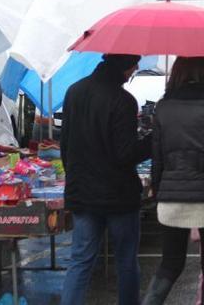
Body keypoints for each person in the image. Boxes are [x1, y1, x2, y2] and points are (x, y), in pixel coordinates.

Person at [143, 57, 204, 305]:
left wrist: (159, 192)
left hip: (171, 197)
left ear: (176, 74)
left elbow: (157, 159)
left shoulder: (163, 107)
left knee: (169, 265)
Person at [60, 54, 150, 305]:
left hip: (82, 192)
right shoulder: (123, 101)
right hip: (118, 196)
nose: (134, 72)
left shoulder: (74, 92)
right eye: (134, 67)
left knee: (80, 261)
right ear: (124, 67)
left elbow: (65, 145)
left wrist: (75, 178)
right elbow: (125, 154)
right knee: (126, 261)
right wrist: (151, 143)